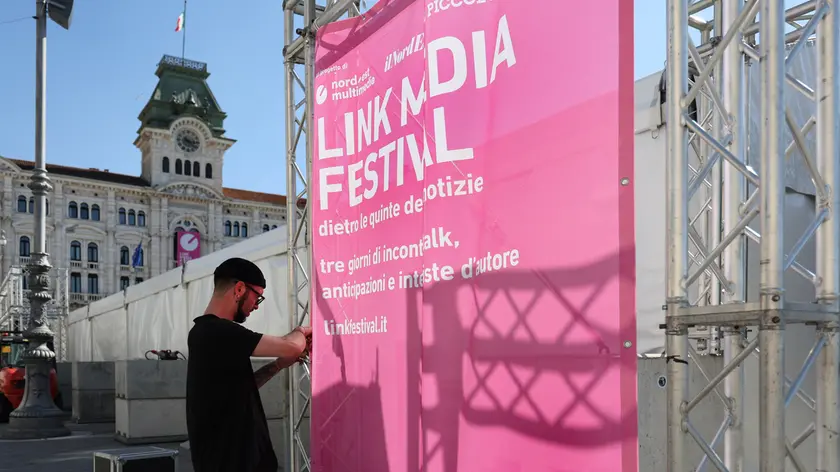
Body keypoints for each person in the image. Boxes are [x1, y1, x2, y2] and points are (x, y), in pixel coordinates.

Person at [186, 257, 312, 472]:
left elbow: (238, 387)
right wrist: (300, 332)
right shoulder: (217, 331)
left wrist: (277, 366)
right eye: (257, 297)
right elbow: (290, 346)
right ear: (239, 289)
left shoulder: (210, 334)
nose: (256, 305)